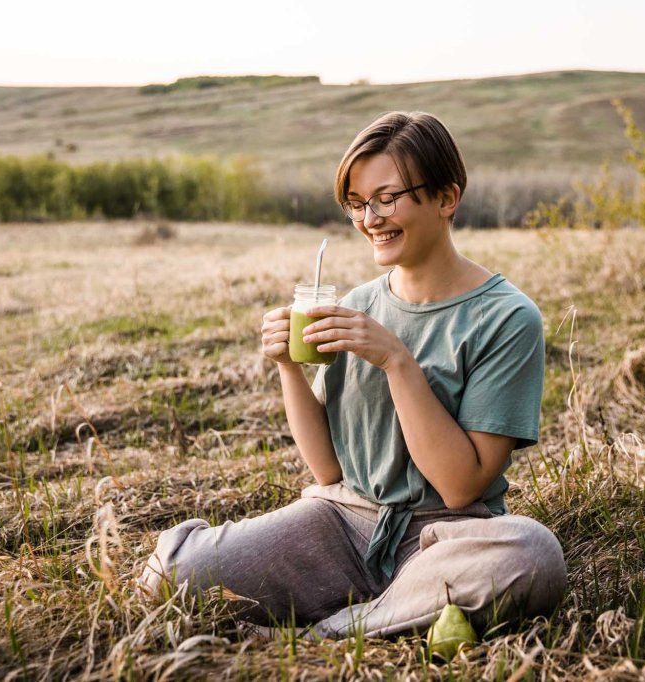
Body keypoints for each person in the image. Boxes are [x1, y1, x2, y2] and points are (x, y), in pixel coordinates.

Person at [141, 111, 566, 640]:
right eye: (358, 204)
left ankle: (334, 629)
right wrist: (288, 371)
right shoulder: (357, 306)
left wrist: (397, 361)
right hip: (342, 523)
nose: (371, 218)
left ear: (446, 198)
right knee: (171, 576)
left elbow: (460, 487)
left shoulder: (506, 317)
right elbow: (326, 470)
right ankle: (396, 611)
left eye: (386, 198)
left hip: (446, 538)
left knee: (531, 554)